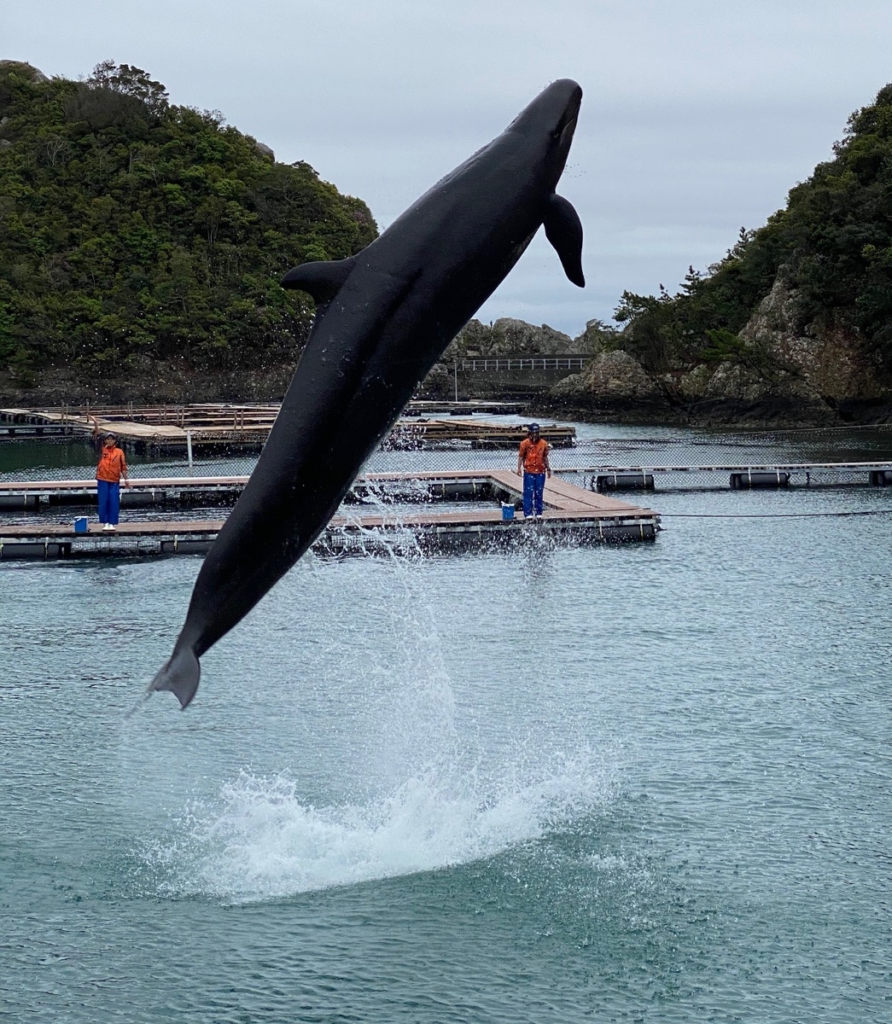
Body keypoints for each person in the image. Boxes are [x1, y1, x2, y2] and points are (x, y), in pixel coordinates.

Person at [91, 416, 129, 531]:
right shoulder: (102, 449)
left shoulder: (119, 452)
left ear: (115, 441)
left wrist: (126, 479)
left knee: (113, 501)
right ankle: (105, 522)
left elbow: (123, 466)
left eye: (112, 439)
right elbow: (96, 436)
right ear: (105, 441)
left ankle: (112, 522)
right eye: (108, 439)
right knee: (103, 500)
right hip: (102, 479)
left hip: (114, 480)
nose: (110, 441)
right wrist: (96, 424)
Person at [516, 422, 551, 519]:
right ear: (529, 433)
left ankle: (539, 512)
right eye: (533, 433)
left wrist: (548, 469)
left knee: (539, 492)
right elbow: (520, 457)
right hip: (529, 471)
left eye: (537, 433)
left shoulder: (543, 443)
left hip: (540, 472)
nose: (535, 435)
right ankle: (528, 513)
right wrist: (519, 468)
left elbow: (545, 457)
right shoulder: (524, 444)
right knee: (528, 492)